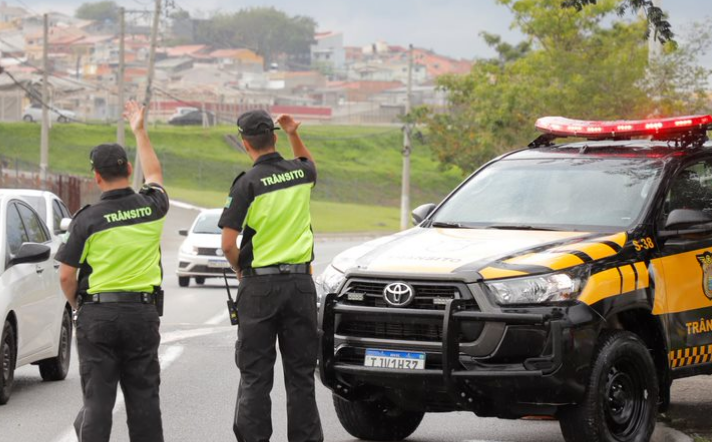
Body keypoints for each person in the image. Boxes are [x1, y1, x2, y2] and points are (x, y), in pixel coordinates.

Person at [57, 101, 168, 442]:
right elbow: (155, 176)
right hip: (141, 313)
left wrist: (79, 305)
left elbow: (65, 275)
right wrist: (139, 129)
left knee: (98, 402)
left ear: (96, 175)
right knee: (144, 398)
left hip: (98, 315)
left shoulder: (87, 219)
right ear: (128, 167)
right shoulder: (152, 206)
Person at [219, 110, 323, 442]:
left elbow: (227, 244)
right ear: (274, 137)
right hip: (299, 285)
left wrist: (240, 270)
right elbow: (309, 162)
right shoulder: (301, 173)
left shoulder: (247, 183)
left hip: (259, 287)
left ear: (244, 142)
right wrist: (294, 132)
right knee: (301, 377)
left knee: (255, 376)